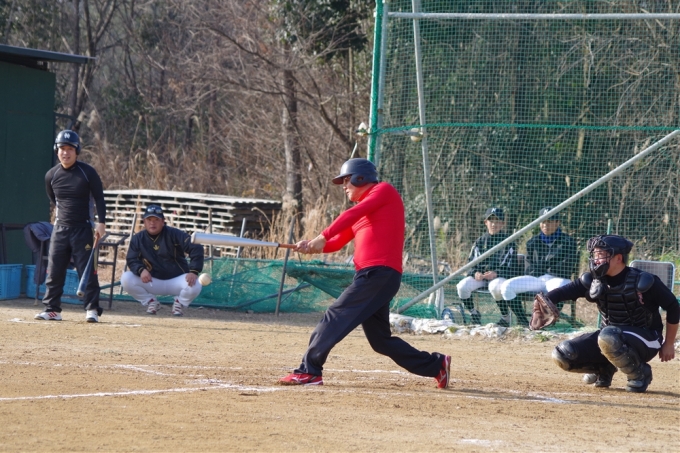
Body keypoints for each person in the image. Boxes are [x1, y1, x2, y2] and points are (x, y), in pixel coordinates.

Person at [278, 158, 451, 388]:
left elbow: (349, 216)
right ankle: (436, 365)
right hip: (373, 277)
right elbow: (336, 242)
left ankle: (309, 371)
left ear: (361, 178)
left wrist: (322, 235)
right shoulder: (364, 210)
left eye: (347, 180)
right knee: (380, 341)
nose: (344, 186)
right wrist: (312, 245)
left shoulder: (383, 191)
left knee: (335, 315)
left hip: (379, 274)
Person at [547, 235, 678, 393]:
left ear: (618, 258)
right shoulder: (593, 280)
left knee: (609, 335)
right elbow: (562, 293)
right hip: (609, 338)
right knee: (564, 354)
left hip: (647, 338)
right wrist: (543, 301)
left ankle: (640, 374)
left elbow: (673, 306)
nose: (596, 260)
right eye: (595, 255)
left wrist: (669, 343)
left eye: (601, 255)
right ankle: (604, 368)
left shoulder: (643, 281)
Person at [35, 130, 107, 323]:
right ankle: (52, 309)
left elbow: (99, 198)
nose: (65, 153)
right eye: (62, 149)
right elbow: (54, 200)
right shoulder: (51, 175)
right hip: (60, 230)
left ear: (77, 151)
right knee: (54, 271)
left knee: (87, 271)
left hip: (83, 229)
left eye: (70, 149)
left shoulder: (88, 172)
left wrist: (101, 223)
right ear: (56, 150)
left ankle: (92, 309)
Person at [498, 207, 579, 326]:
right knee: (506, 286)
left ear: (557, 223)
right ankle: (524, 322)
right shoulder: (532, 242)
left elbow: (566, 267)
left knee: (561, 288)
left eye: (550, 221)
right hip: (536, 279)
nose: (546, 225)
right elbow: (529, 267)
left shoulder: (568, 241)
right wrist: (545, 268)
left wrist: (544, 268)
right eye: (543, 221)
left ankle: (547, 322)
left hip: (556, 279)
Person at [121, 204, 204, 317]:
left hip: (176, 280)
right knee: (126, 278)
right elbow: (132, 258)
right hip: (152, 281)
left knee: (196, 284)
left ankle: (179, 302)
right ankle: (151, 302)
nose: (152, 223)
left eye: (156, 219)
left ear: (163, 221)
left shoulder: (174, 234)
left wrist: (193, 271)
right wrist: (141, 270)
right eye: (149, 219)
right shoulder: (138, 238)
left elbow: (196, 247)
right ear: (144, 221)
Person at [456, 207, 520, 325]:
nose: (494, 224)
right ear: (486, 222)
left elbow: (513, 269)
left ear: (503, 223)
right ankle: (474, 314)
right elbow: (470, 264)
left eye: (497, 221)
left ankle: (505, 318)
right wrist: (475, 273)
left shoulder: (509, 242)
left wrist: (496, 273)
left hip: (499, 278)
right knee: (462, 287)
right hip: (481, 278)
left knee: (494, 287)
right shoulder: (479, 242)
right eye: (491, 221)